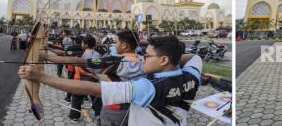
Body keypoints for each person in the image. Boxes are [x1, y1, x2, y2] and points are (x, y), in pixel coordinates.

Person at [20, 36, 202, 126]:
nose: (143, 58)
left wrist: (41, 77)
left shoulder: (147, 88)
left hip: (116, 111)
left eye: (147, 56)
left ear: (163, 60)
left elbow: (94, 88)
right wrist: (173, 59)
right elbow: (194, 57)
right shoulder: (192, 75)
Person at [42, 30, 146, 126]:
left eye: (117, 42)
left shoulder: (117, 61)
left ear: (124, 45)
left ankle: (78, 115)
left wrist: (47, 57)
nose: (115, 45)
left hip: (115, 107)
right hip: (136, 107)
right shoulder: (144, 60)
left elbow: (79, 61)